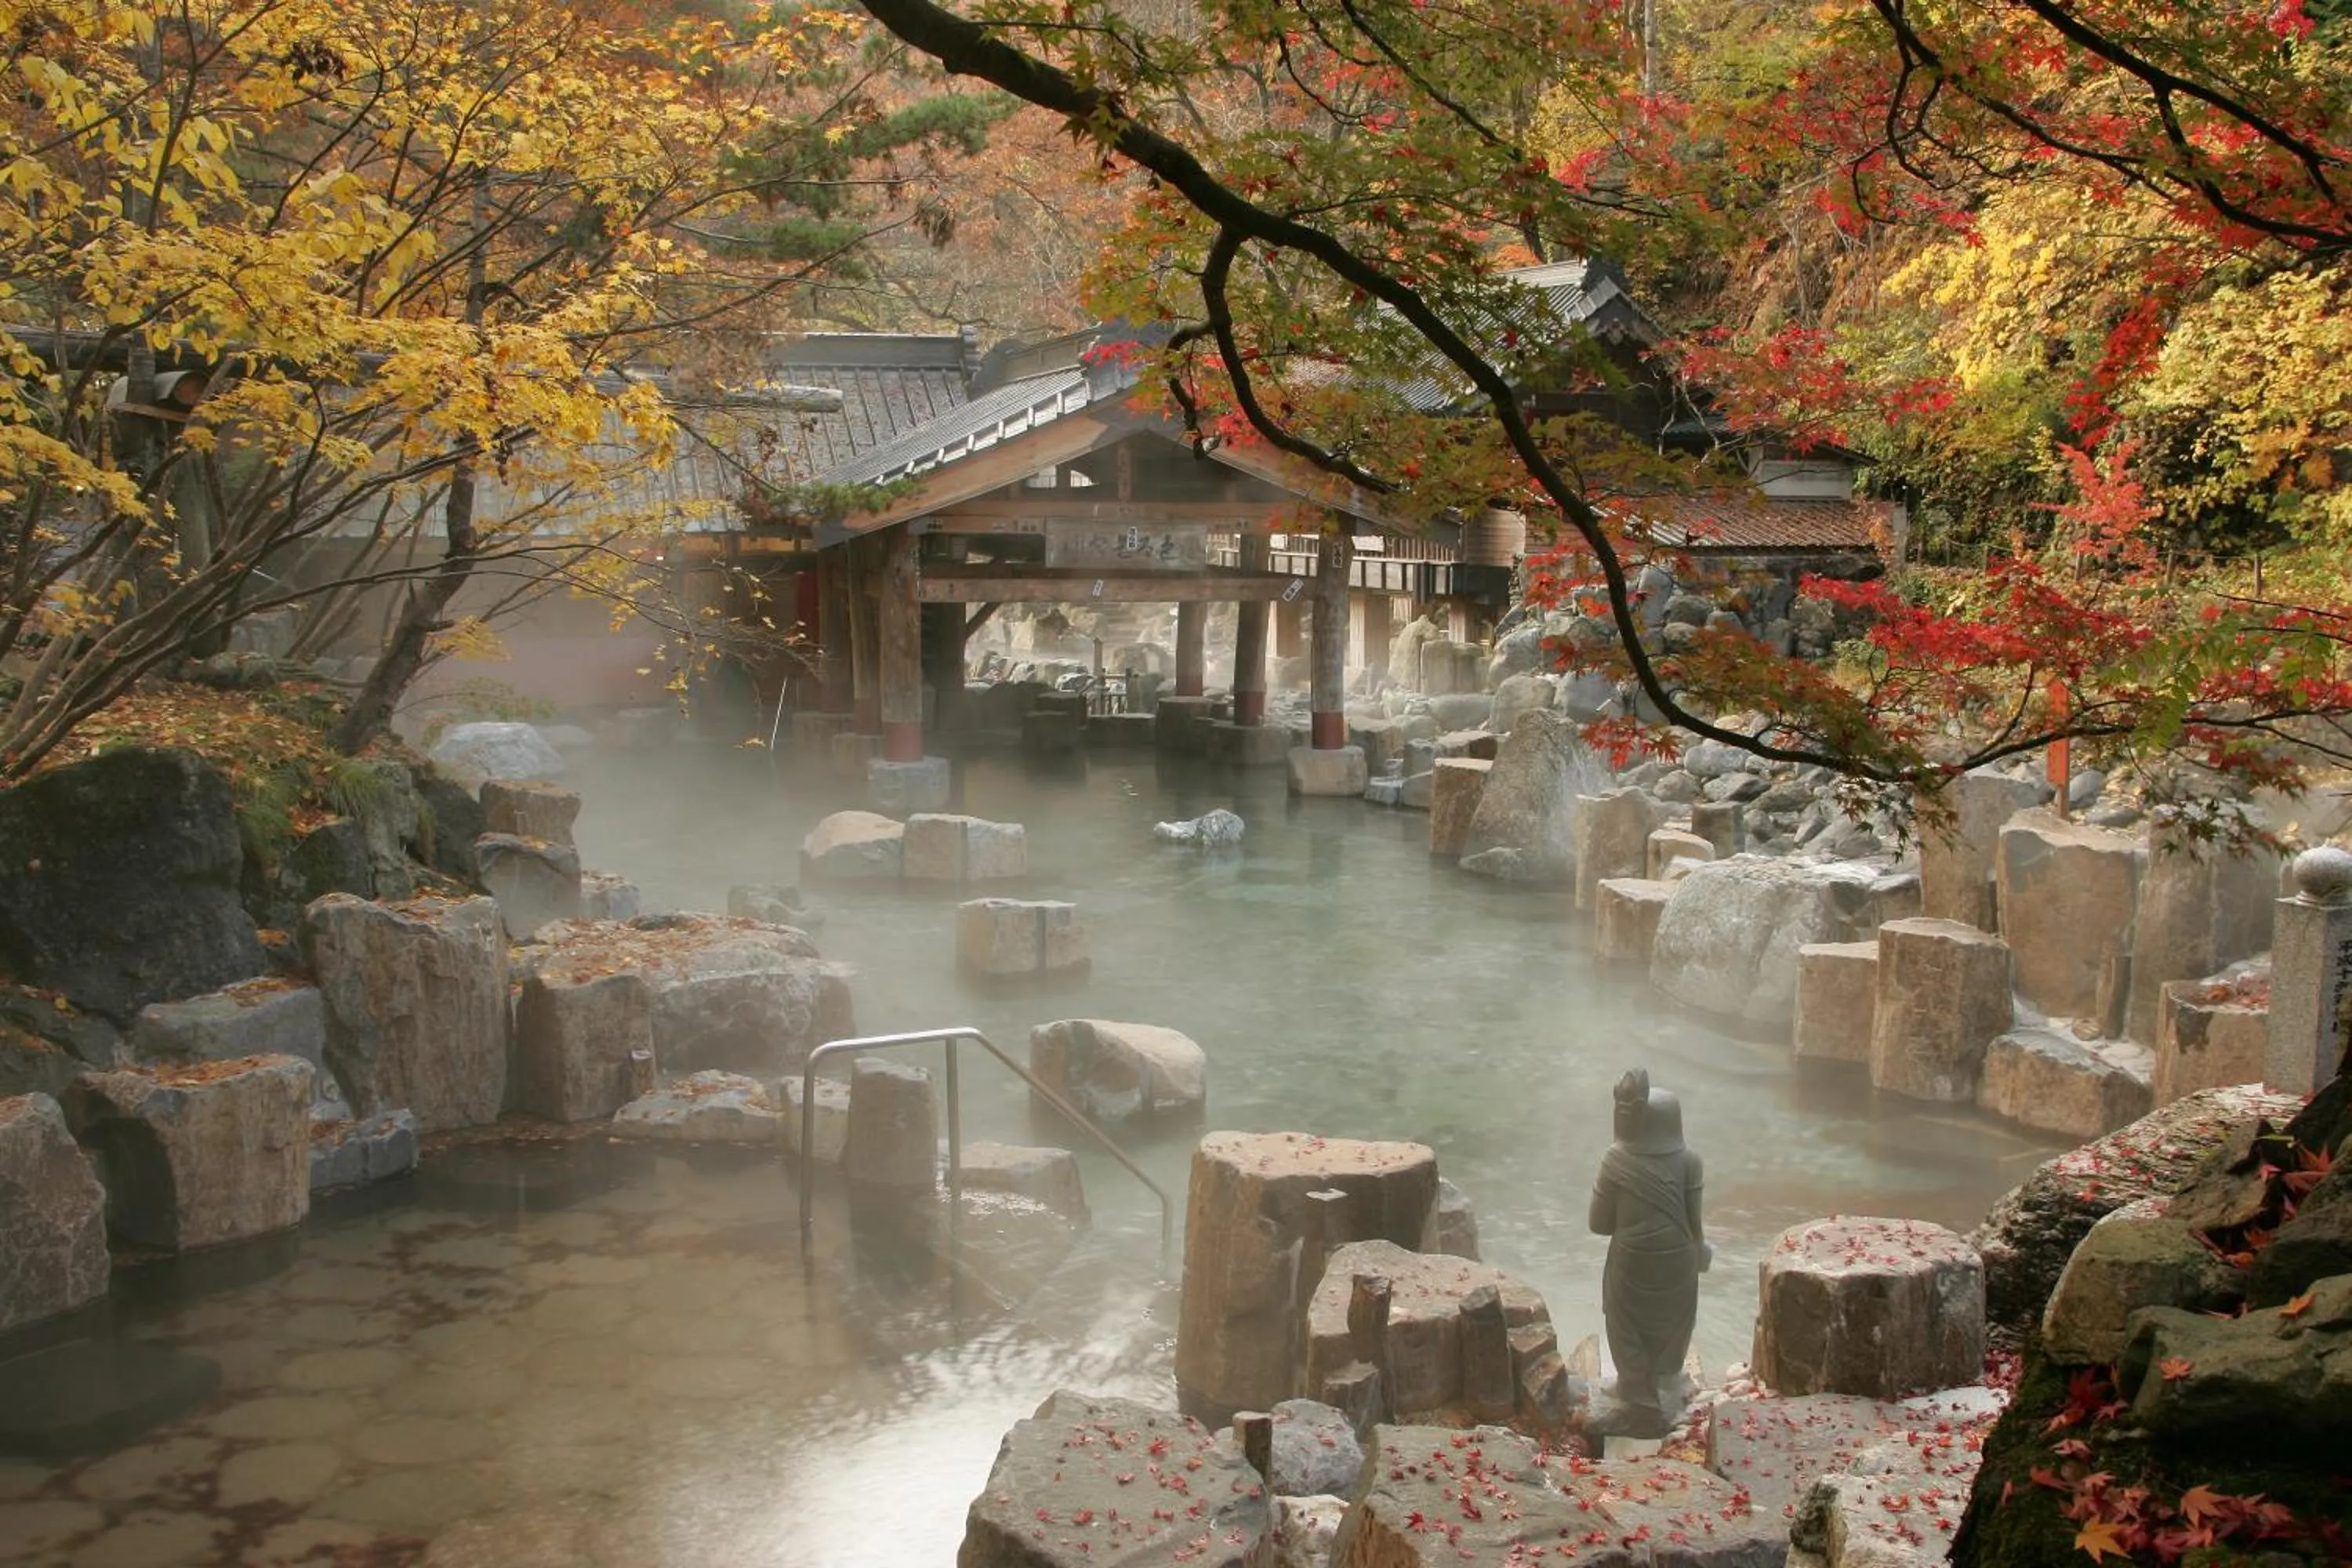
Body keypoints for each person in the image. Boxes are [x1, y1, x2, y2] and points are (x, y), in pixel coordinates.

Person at [1588, 1069, 1709, 1428]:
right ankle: (1666, 1379)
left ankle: (1633, 1386)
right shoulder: (1690, 1162)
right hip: (1678, 1263)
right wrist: (1698, 1250)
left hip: (1631, 1262)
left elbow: (1598, 1224)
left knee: (1624, 1317)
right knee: (1674, 1315)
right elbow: (1694, 1224)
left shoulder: (1615, 1160)